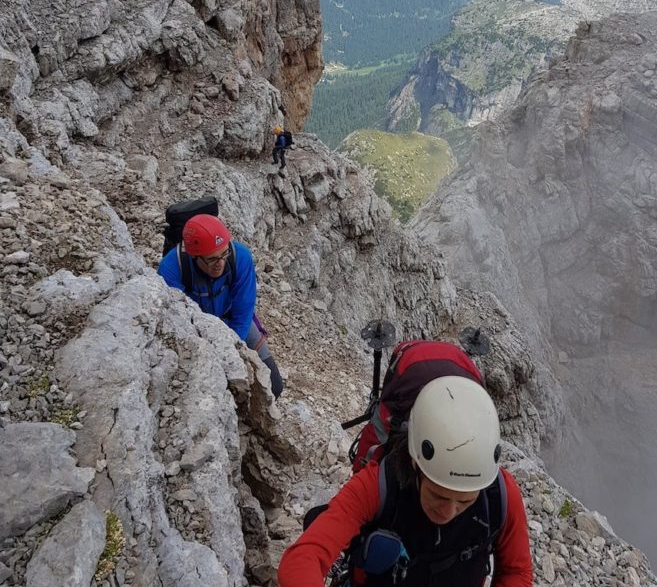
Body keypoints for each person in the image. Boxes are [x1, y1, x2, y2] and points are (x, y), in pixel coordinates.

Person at [278, 376, 533, 586]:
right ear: (415, 463)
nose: (449, 511)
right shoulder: (378, 485)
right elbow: (304, 557)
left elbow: (516, 572)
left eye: (466, 500)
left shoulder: (501, 494)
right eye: (439, 495)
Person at [158, 214, 284, 398]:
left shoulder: (240, 257)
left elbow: (243, 311)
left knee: (275, 387)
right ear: (194, 256)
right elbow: (179, 322)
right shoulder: (172, 270)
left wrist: (233, 349)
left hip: (233, 320)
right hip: (197, 331)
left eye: (224, 254)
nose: (221, 264)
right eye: (212, 259)